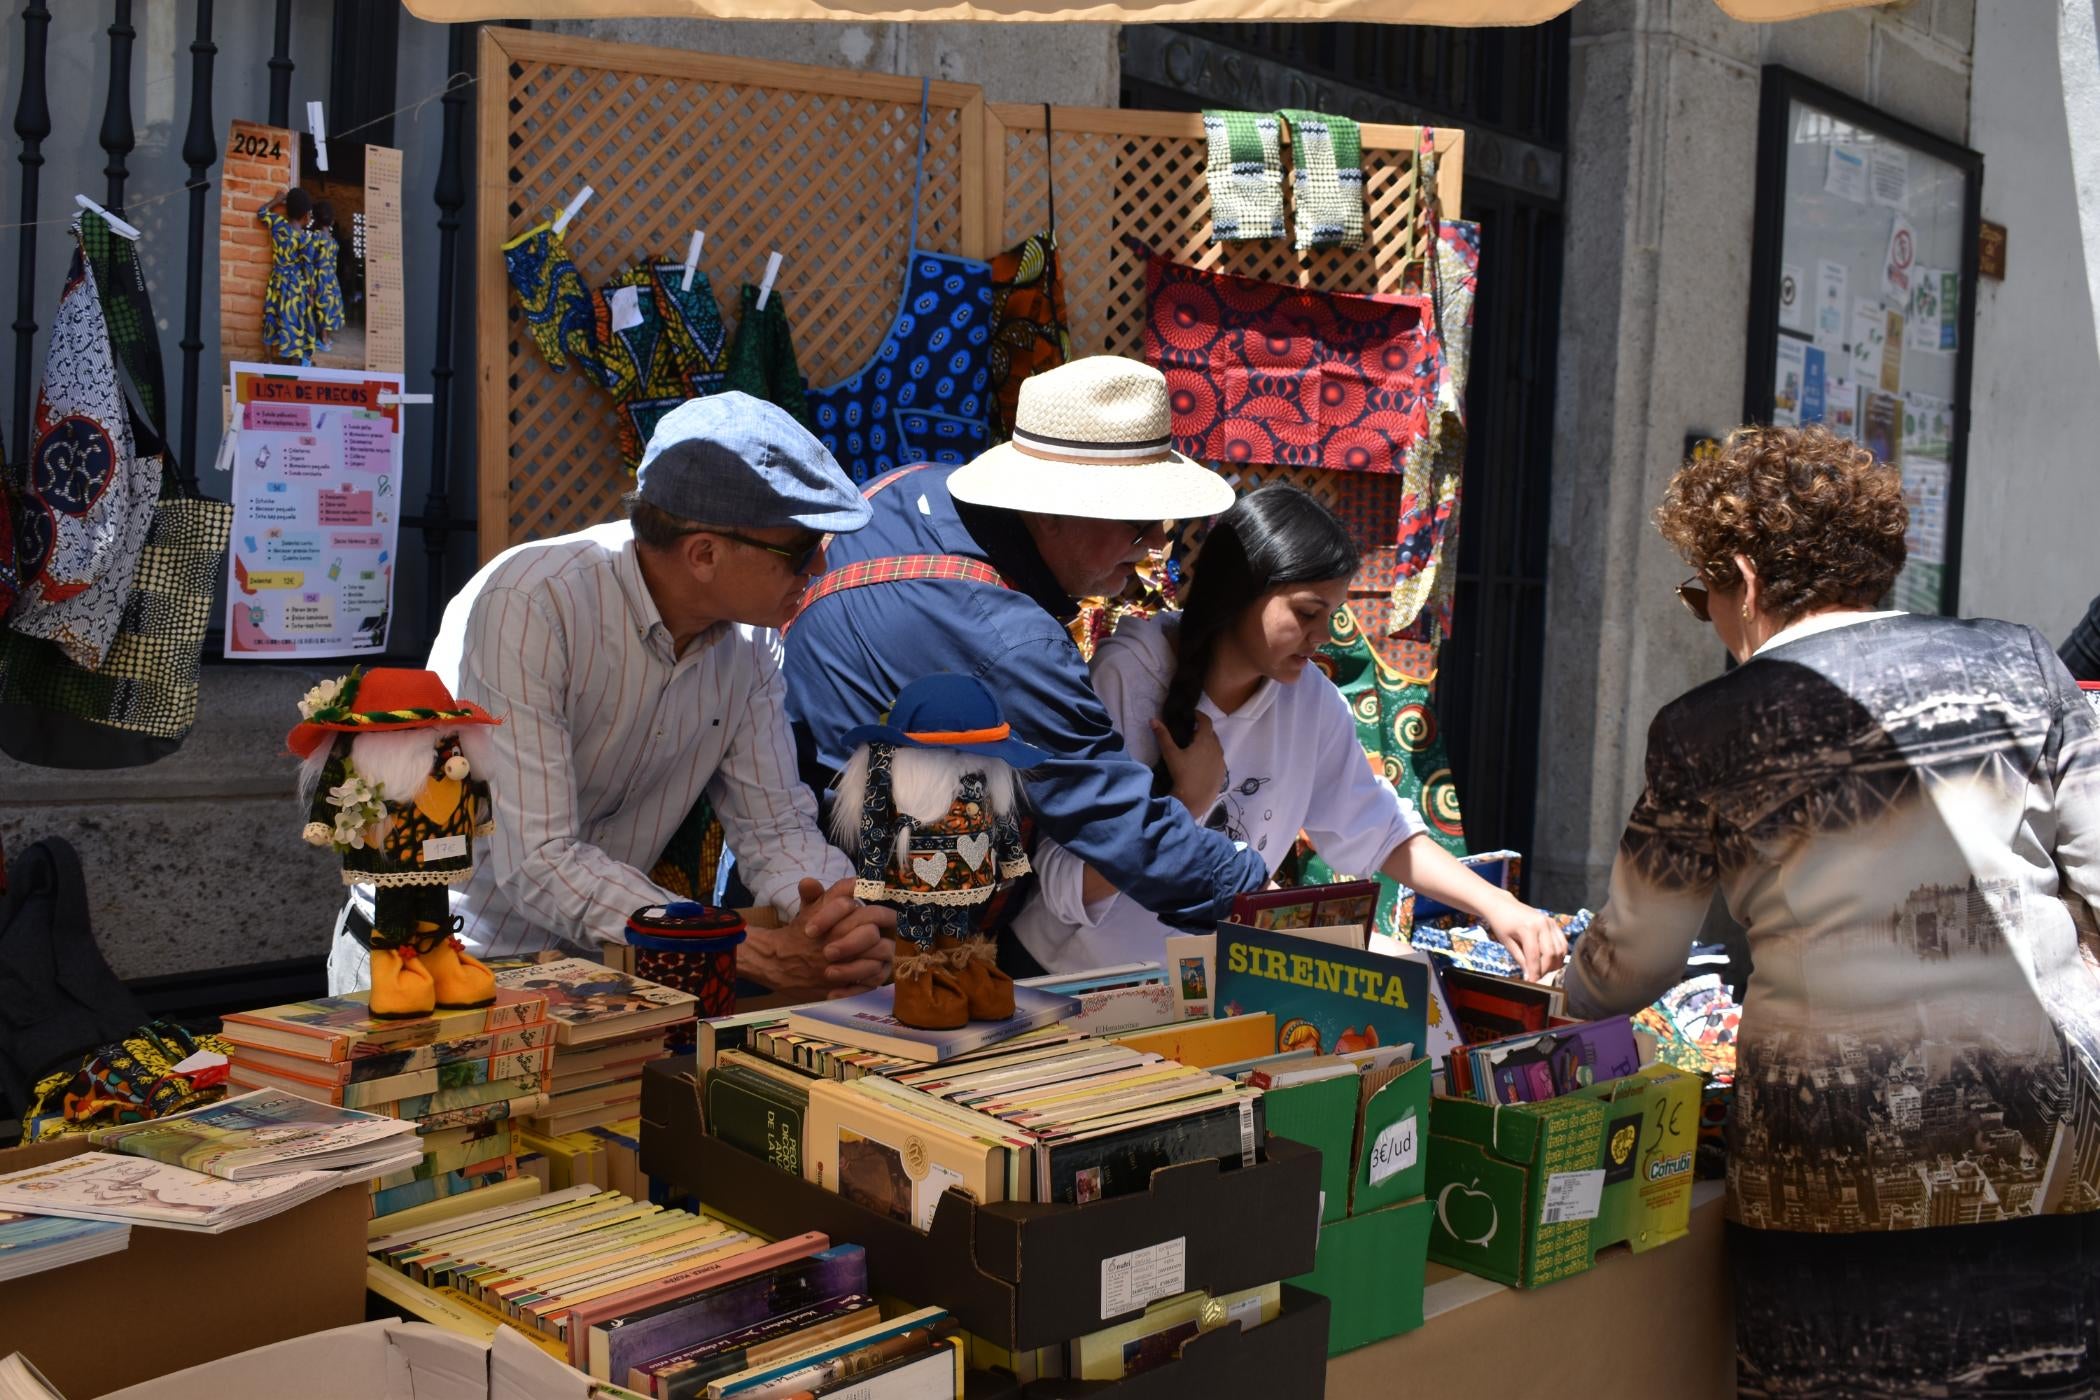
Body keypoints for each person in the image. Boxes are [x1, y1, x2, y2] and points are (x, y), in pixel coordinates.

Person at [1563, 424, 2100, 1397]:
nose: (1712, 619)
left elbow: (1632, 962)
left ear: (1743, 576)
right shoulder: (2025, 665)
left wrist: (1560, 988)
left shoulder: (1705, 726)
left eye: (1702, 596)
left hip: (1830, 1168)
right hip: (2049, 1155)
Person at [325, 393, 896, 1004]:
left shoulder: (751, 640)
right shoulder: (531, 603)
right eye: (801, 551)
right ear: (703, 553)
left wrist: (841, 918)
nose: (819, 567)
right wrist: (732, 945)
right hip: (433, 965)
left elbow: (776, 827)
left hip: (593, 976)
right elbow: (539, 860)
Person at [781, 356, 1271, 971]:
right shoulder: (1011, 642)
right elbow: (1116, 819)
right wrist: (1259, 900)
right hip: (869, 947)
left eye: (1164, 523)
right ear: (1050, 508)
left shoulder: (905, 489)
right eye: (1139, 522)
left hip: (795, 880)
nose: (1155, 546)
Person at [1011, 484, 1567, 980]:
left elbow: (1378, 831)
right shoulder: (1129, 675)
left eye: (1330, 615)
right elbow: (1065, 885)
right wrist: (1188, 801)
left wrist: (1498, 905)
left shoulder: (1313, 704)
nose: (1322, 636)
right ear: (1241, 591)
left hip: (1192, 997)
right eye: (1306, 613)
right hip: (1066, 986)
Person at [257, 187, 316, 366]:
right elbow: (309, 270)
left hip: (276, 279)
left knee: (271, 314)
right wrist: (311, 295)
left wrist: (277, 200)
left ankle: (267, 358)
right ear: (306, 216)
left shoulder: (277, 223)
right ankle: (294, 359)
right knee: (293, 320)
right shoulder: (305, 239)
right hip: (295, 287)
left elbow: (261, 212)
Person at [306, 199, 347, 357]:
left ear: (315, 219)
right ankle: (326, 338)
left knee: (320, 308)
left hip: (319, 277)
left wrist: (310, 283)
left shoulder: (315, 237)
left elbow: (310, 261)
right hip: (331, 277)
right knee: (327, 307)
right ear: (332, 221)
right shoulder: (333, 241)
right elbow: (333, 262)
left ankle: (322, 340)